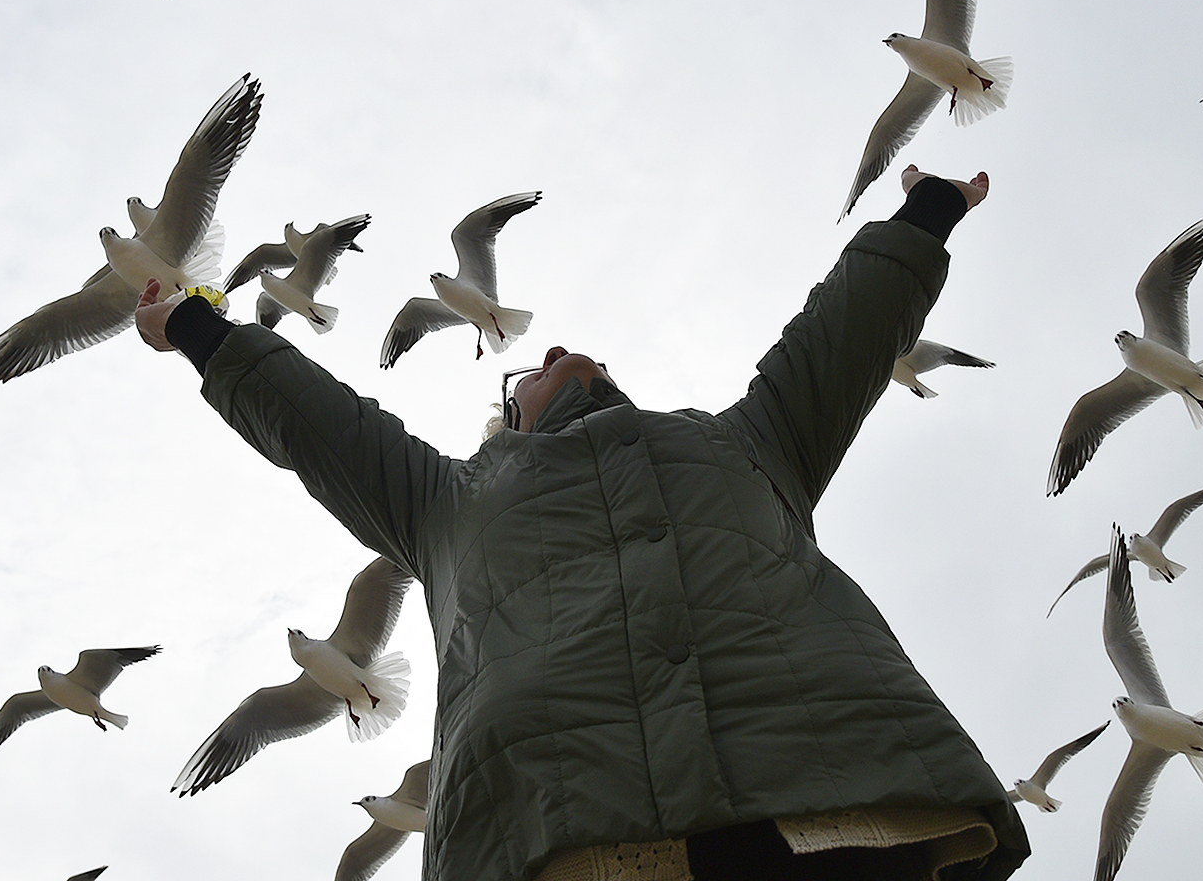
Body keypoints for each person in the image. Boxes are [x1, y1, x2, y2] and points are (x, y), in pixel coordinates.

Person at [137, 166, 1027, 881]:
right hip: (558, 835)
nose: (551, 351)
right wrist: (198, 325)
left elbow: (843, 335)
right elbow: (318, 421)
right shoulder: (445, 501)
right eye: (526, 369)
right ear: (510, 417)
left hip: (834, 804)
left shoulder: (748, 441)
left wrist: (927, 214)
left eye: (564, 349)